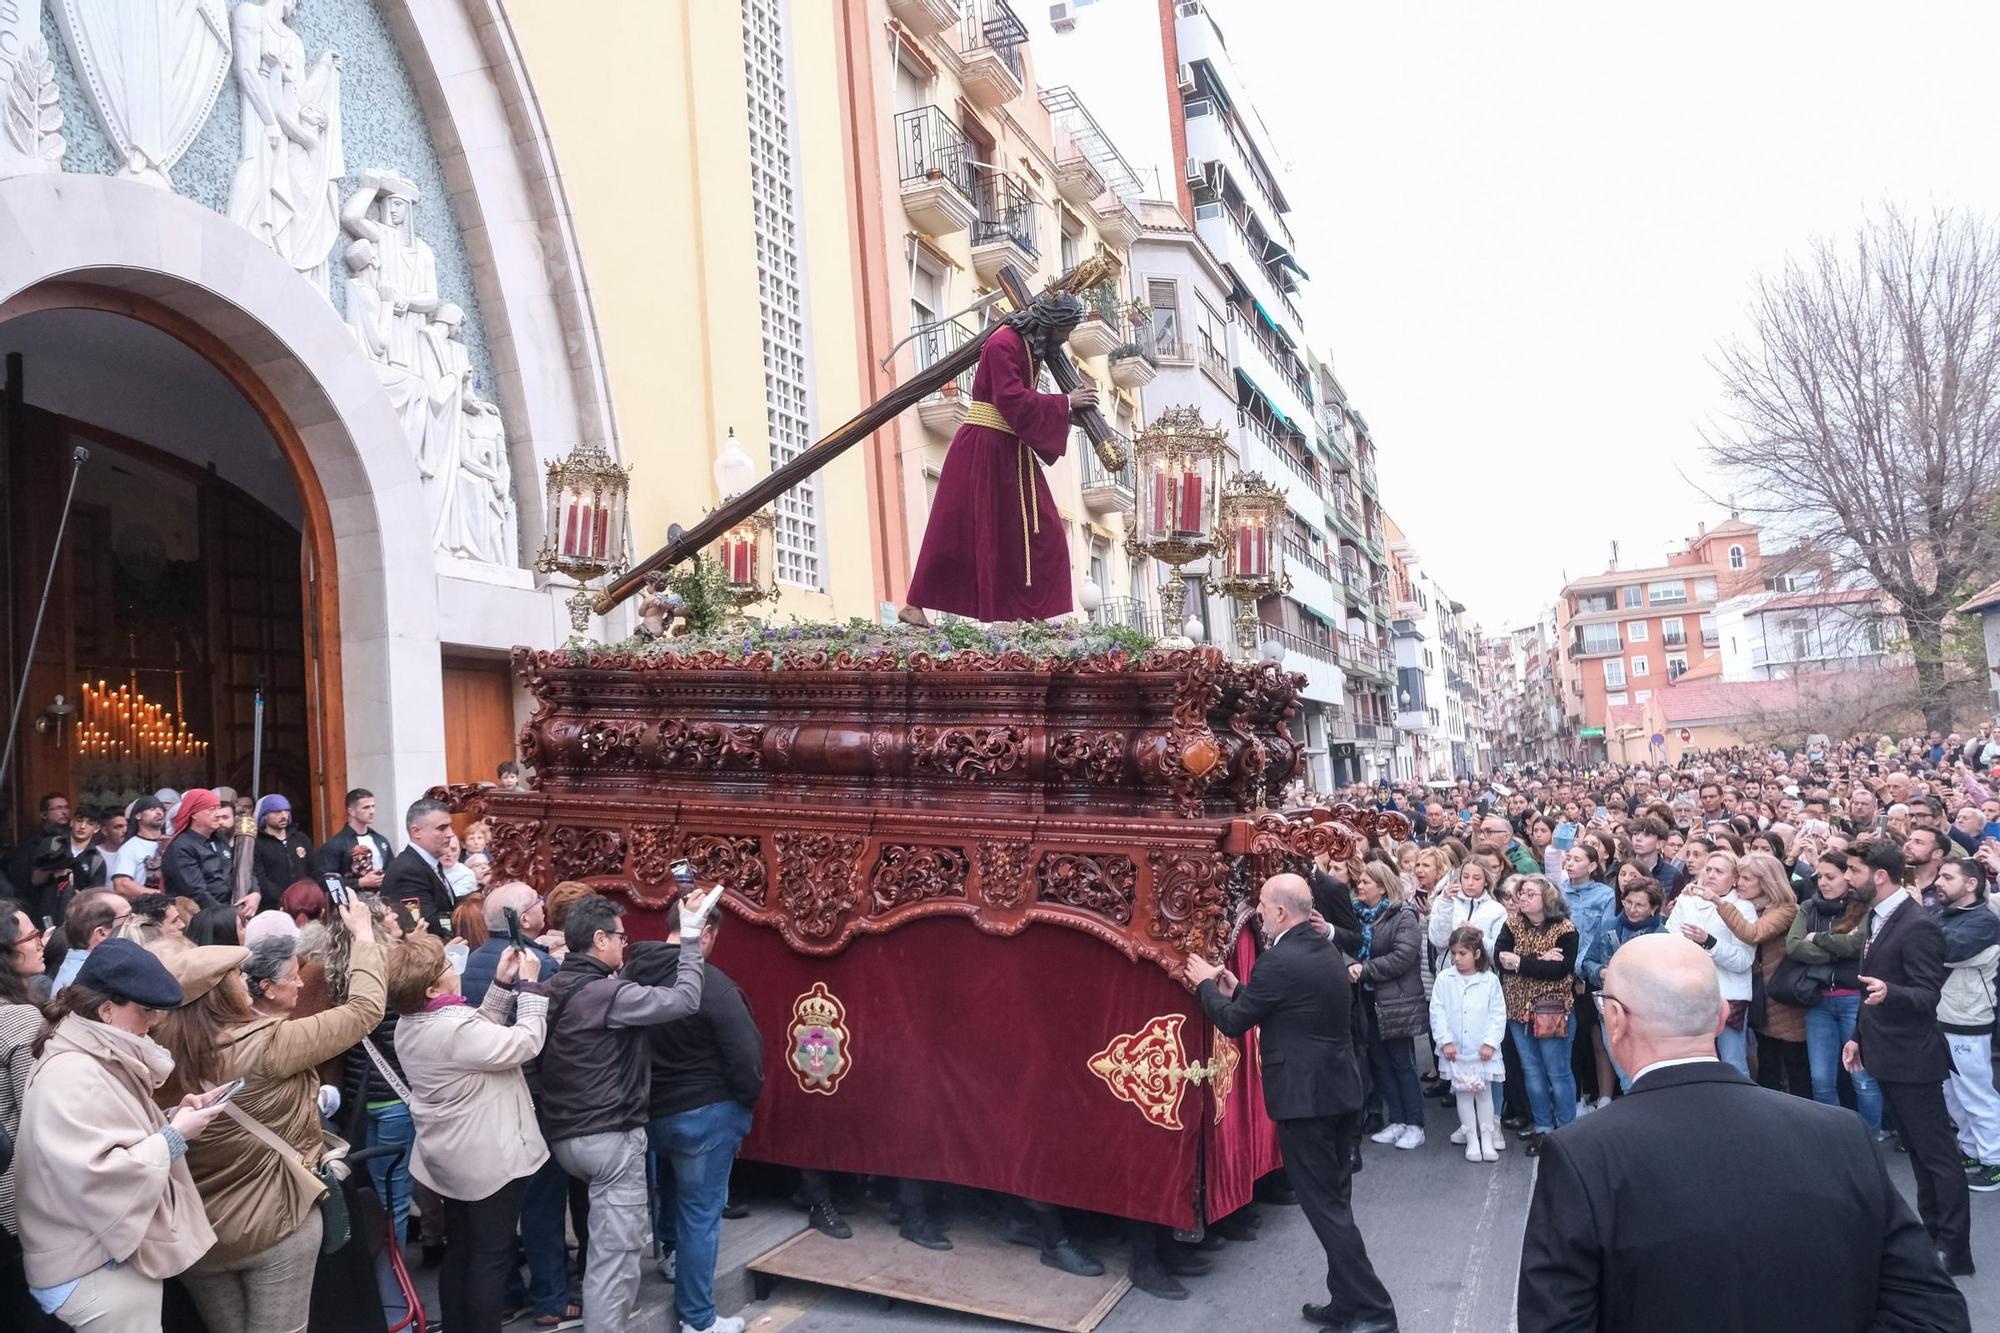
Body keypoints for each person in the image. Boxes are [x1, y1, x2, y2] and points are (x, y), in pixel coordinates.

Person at [1516, 933, 1970, 1333]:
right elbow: (1933, 1312)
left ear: (1615, 1020)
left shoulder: (1580, 1155)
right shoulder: (1841, 1134)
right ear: (1720, 1017)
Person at [153, 896, 385, 1333]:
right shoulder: (271, 1044)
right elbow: (365, 1010)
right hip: (276, 1225)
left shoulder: (156, 1057)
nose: (248, 982)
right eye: (239, 978)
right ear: (224, 993)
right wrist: (364, 937)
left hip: (199, 1234)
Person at [1186, 873, 1397, 1332]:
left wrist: (1205, 984)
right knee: (1336, 1203)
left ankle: (1375, 1312)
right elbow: (1286, 1006)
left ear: (1280, 911)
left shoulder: (1279, 960)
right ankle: (1346, 1304)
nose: (1257, 912)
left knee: (1327, 1211)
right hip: (1339, 1093)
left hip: (1307, 1102)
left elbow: (1233, 1024)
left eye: (1261, 904)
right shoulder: (1321, 949)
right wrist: (1238, 988)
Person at [15, 939, 230, 1330]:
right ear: (107, 1011)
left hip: (94, 1259)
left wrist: (173, 1118)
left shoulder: (87, 1051)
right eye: (146, 1009)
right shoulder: (74, 1072)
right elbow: (97, 1173)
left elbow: (108, 1133)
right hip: (93, 1267)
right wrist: (174, 1136)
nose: (156, 1020)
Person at [540, 890, 718, 1333]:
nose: (626, 944)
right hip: (609, 1136)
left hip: (562, 1134)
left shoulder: (552, 984)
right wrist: (691, 942)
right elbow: (684, 1001)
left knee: (603, 1249)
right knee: (614, 1260)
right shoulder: (609, 994)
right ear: (599, 940)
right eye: (621, 937)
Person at [900, 290, 1097, 626]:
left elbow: (1024, 403)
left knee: (1041, 530)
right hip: (983, 446)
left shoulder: (1031, 348)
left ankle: (1029, 612)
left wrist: (1067, 414)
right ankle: (915, 606)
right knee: (956, 531)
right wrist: (1064, 403)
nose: (1065, 339)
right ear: (1050, 324)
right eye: (1064, 331)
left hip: (1010, 449)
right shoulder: (1002, 343)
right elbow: (1010, 399)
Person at [388, 928, 551, 1333]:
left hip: (451, 1159)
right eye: (446, 965)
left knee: (461, 1249)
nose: (454, 967)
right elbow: (524, 1043)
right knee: (491, 1257)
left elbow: (479, 1038)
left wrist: (501, 984)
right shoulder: (452, 1028)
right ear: (431, 988)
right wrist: (530, 987)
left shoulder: (412, 1023)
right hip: (487, 1161)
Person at [626, 896, 765, 1333]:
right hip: (706, 1112)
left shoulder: (629, 976)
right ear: (703, 934)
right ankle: (698, 1319)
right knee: (700, 1215)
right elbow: (747, 1059)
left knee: (669, 1188)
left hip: (650, 1110)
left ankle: (669, 1258)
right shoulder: (713, 984)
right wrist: (744, 1104)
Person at [1843, 840, 1974, 1276]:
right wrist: (1857, 1036)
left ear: (1879, 875)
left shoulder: (1917, 924)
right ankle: (1932, 1234)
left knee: (1937, 1155)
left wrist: (1890, 993)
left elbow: (1926, 993)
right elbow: (1870, 985)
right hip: (1885, 1053)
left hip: (1914, 1060)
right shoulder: (1879, 916)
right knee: (1919, 1154)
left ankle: (1955, 1250)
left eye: (1853, 871)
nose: (1847, 878)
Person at [1787, 848, 1883, 1133]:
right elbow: (1793, 947)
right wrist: (1836, 952)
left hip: (1853, 1001)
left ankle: (1870, 1136)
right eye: (1819, 877)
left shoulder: (1863, 909)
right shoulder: (1808, 907)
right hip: (1818, 1002)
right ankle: (1836, 1138)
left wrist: (1817, 939)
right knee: (1821, 1079)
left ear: (1847, 877)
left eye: (1831, 876)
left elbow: (1858, 947)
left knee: (1862, 1078)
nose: (1823, 883)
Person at [1930, 857, 2000, 1193]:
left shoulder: (1983, 920)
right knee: (1952, 1092)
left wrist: (1924, 939)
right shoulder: (1944, 915)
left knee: (1976, 1092)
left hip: (1968, 1018)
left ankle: (1995, 1160)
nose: (1938, 882)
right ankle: (1972, 1151)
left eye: (1947, 876)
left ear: (1971, 884)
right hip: (1942, 1016)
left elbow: (1946, 950)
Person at [1495, 876, 1578, 1155]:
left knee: (1557, 1071)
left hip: (1552, 1008)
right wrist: (1539, 959)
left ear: (1547, 899)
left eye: (1531, 893)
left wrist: (1520, 961)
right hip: (1518, 1009)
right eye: (1522, 893)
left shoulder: (1565, 929)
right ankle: (1543, 1127)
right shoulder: (1511, 924)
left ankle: (1567, 1129)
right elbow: (1499, 958)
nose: (1523, 898)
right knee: (1531, 1070)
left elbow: (1559, 970)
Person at [1350, 863, 1428, 1151]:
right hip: (1368, 1000)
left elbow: (1403, 956)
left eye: (1367, 882)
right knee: (1379, 1062)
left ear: (1382, 886)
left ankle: (1415, 1123)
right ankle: (1396, 1119)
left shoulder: (1403, 915)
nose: (1360, 885)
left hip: (1396, 1000)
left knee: (1402, 1063)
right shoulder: (1358, 915)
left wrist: (1365, 969)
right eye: (1359, 881)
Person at [1715, 852, 1806, 1097]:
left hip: (1784, 995)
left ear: (1766, 882)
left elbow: (1753, 934)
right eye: (1739, 877)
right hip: (1763, 996)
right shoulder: (1753, 907)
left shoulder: (1785, 909)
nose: (1738, 883)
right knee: (1767, 1061)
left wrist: (1718, 903)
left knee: (1793, 1064)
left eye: (1746, 878)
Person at [1664, 848, 1756, 1075]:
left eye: (1720, 871)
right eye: (1709, 869)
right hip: (1690, 994)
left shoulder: (1744, 908)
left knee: (1733, 1063)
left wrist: (1709, 942)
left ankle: (1740, 1109)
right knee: (1693, 1063)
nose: (1712, 875)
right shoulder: (1687, 901)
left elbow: (1743, 960)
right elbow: (1670, 940)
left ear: (1734, 879)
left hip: (1729, 996)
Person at [0, 900, 48, 1327]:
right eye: (32, 936)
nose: (42, 942)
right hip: (13, 1201)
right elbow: (36, 1115)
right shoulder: (19, 1019)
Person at [1578, 879, 1666, 1093]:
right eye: (1628, 902)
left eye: (1640, 905)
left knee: (1640, 1068)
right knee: (1619, 1064)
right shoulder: (1609, 926)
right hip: (1609, 1008)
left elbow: (1662, 978)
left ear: (1653, 908)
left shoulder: (1660, 936)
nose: (1632, 909)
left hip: (1642, 1013)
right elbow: (1587, 962)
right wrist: (1601, 972)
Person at [1430, 925, 1506, 1163]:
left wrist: (1490, 1043)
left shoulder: (1489, 980)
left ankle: (1487, 1137)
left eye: (1462, 953)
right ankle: (1471, 1137)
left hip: (1481, 1050)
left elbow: (1497, 1013)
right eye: (1453, 953)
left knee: (1484, 1094)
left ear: (1477, 954)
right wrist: (1445, 1041)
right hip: (1456, 1052)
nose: (1456, 958)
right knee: (1463, 1093)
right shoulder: (1444, 979)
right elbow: (1437, 1011)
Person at [381, 798, 458, 936]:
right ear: (417, 832)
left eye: (450, 826)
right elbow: (427, 922)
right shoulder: (408, 870)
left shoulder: (428, 863)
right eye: (442, 828)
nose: (450, 834)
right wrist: (464, 919)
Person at [49, 890, 131, 995]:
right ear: (101, 933)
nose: (135, 921)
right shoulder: (94, 981)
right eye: (128, 917)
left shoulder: (82, 968)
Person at [161, 789, 233, 907]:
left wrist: (254, 893)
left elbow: (240, 868)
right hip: (203, 916)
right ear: (194, 814)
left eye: (218, 808)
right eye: (212, 809)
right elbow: (196, 893)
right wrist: (227, 915)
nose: (218, 814)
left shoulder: (220, 839)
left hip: (229, 907)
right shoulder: (181, 847)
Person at [1426, 856, 1507, 957]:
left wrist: (1477, 936)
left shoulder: (1497, 911)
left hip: (1482, 970)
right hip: (1447, 970)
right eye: (1465, 877)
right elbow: (1438, 941)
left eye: (1476, 878)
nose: (1470, 883)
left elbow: (1497, 952)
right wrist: (1446, 904)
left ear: (1486, 881)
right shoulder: (1444, 901)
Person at [317, 789, 392, 892]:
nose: (372, 811)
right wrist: (360, 882)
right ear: (351, 811)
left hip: (383, 900)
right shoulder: (335, 844)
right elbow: (323, 881)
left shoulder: (381, 841)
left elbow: (392, 869)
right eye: (366, 807)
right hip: (352, 902)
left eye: (373, 806)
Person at [251, 796, 317, 902]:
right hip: (273, 905)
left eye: (286, 811)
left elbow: (314, 869)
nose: (284, 816)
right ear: (265, 815)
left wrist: (308, 893)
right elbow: (260, 878)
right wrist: (285, 898)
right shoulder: (256, 843)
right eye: (277, 812)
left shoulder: (300, 838)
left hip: (305, 902)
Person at [106, 796, 169, 899]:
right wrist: (162, 895)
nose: (159, 812)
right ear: (138, 815)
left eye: (161, 809)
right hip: (144, 910)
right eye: (152, 809)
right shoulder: (130, 848)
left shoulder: (172, 843)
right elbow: (121, 885)